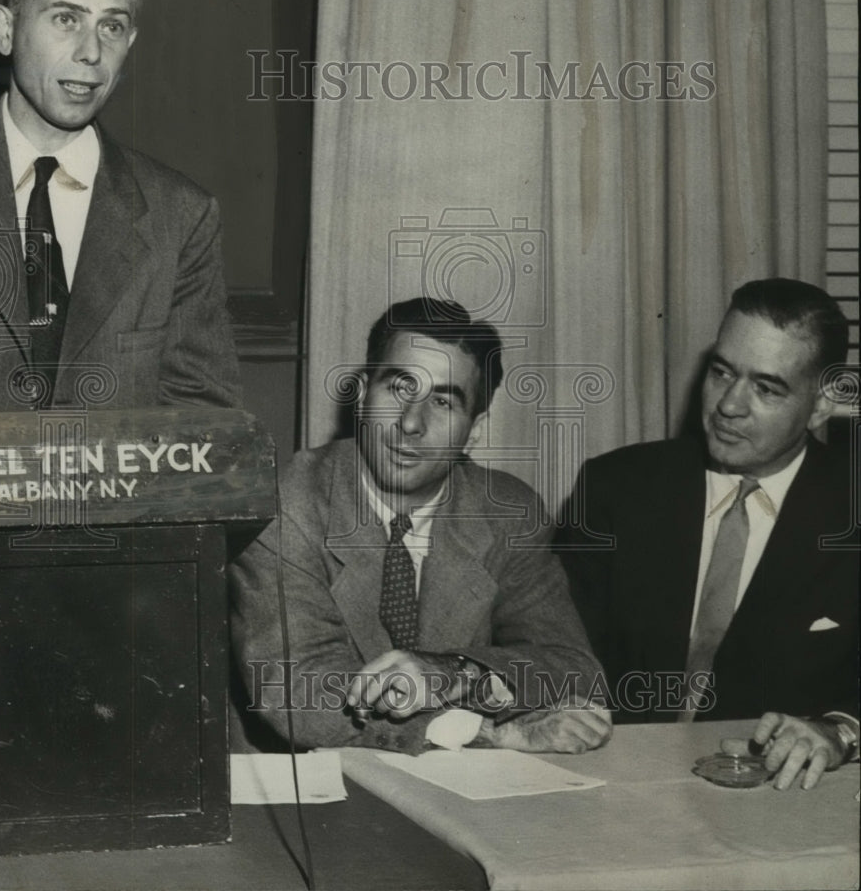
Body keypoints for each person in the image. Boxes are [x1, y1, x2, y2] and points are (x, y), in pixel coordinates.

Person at [230, 297, 611, 754]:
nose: (411, 423)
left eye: (444, 402)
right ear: (363, 393)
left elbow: (575, 670)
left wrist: (454, 674)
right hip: (302, 783)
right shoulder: (286, 501)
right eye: (398, 388)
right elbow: (300, 693)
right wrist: (481, 731)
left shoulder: (509, 512)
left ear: (475, 429)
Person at [560, 278, 859, 790]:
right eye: (722, 372)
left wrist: (840, 731)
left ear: (823, 401)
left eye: (766, 388)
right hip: (611, 787)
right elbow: (551, 650)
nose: (728, 406)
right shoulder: (615, 488)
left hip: (776, 804)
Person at [0, 0, 240, 411]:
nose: (91, 52)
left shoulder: (179, 216)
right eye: (66, 19)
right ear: (5, 30)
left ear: (129, 42)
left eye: (110, 26)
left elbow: (201, 424)